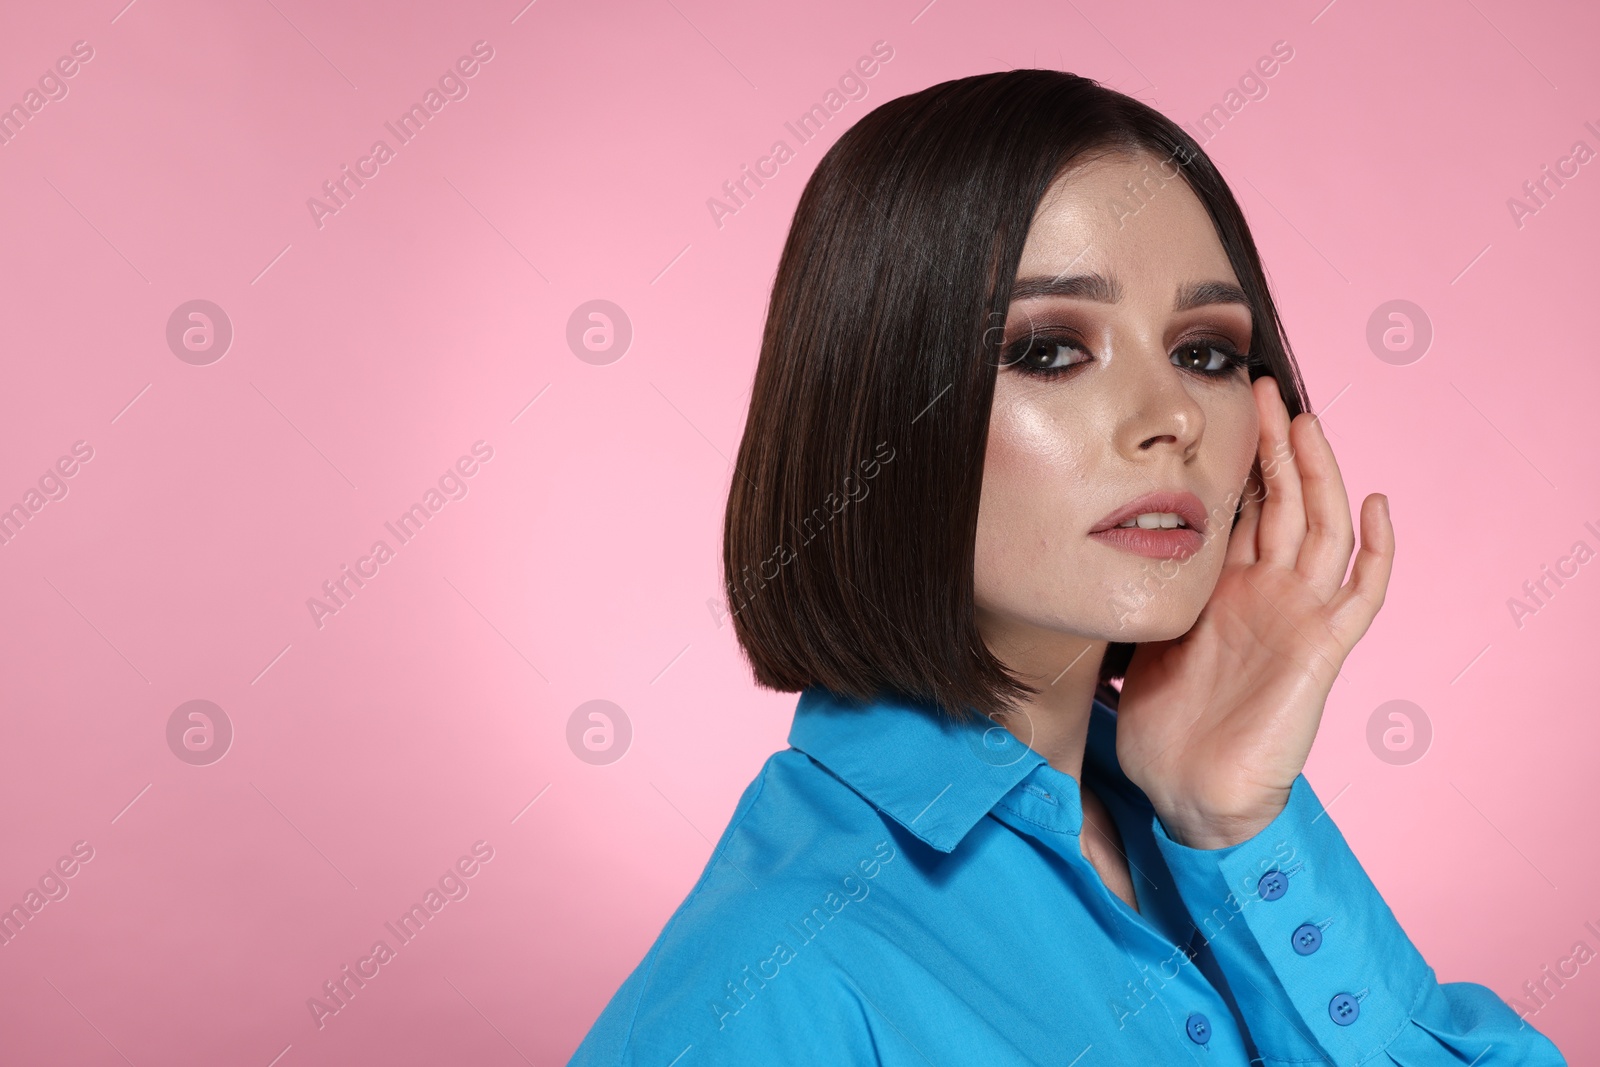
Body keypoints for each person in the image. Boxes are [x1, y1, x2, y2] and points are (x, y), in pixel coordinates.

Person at [567, 69, 1567, 1065]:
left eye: (1206, 352)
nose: (1170, 415)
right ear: (875, 412)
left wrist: (1235, 819)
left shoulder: (1208, 828)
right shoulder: (761, 993)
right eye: (1049, 349)